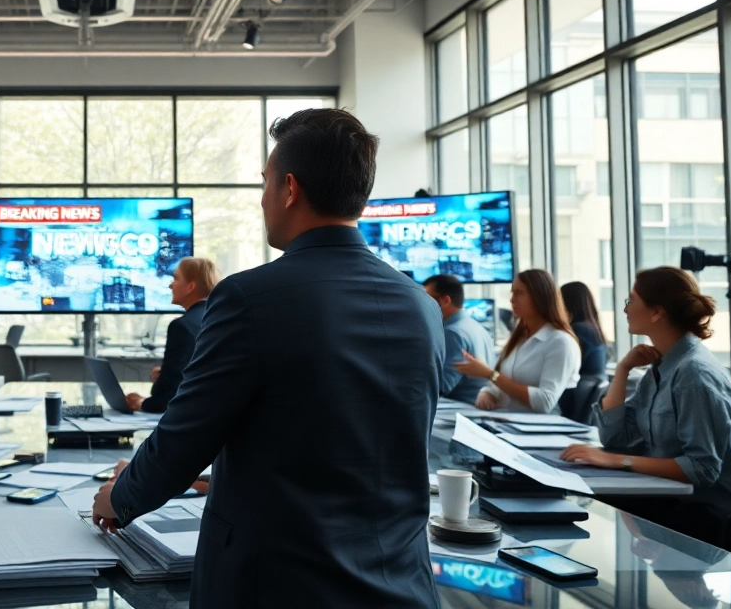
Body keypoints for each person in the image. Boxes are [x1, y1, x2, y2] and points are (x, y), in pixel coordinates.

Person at [93, 108, 443, 608]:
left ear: (290, 189)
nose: (262, 199)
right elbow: (346, 445)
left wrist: (120, 495)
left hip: (277, 586)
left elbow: (184, 436)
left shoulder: (249, 298)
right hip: (402, 586)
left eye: (265, 181)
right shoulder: (421, 305)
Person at [561, 267, 731, 544]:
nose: (626, 309)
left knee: (594, 517)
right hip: (684, 502)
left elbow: (703, 469)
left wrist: (618, 461)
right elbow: (615, 437)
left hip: (724, 517)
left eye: (631, 301)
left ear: (657, 312)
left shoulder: (694, 374)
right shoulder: (663, 364)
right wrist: (622, 370)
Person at [454, 269, 580, 414]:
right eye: (513, 292)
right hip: (504, 421)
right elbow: (499, 384)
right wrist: (487, 393)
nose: (512, 299)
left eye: (519, 293)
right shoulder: (520, 337)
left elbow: (545, 402)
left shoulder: (560, 342)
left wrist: (490, 374)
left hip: (535, 428)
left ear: (539, 297)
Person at [124, 257, 218, 413]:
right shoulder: (219, 317)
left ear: (191, 286)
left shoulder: (182, 326)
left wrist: (141, 403)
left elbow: (167, 398)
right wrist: (165, 373)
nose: (170, 285)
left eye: (175, 278)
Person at [423, 273, 495, 404]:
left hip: (460, 407)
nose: (422, 304)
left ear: (445, 301)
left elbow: (441, 387)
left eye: (426, 299)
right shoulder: (476, 326)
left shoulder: (453, 333)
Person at [560, 281, 609, 376]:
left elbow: (566, 366)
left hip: (578, 388)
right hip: (589, 387)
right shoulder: (592, 327)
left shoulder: (579, 330)